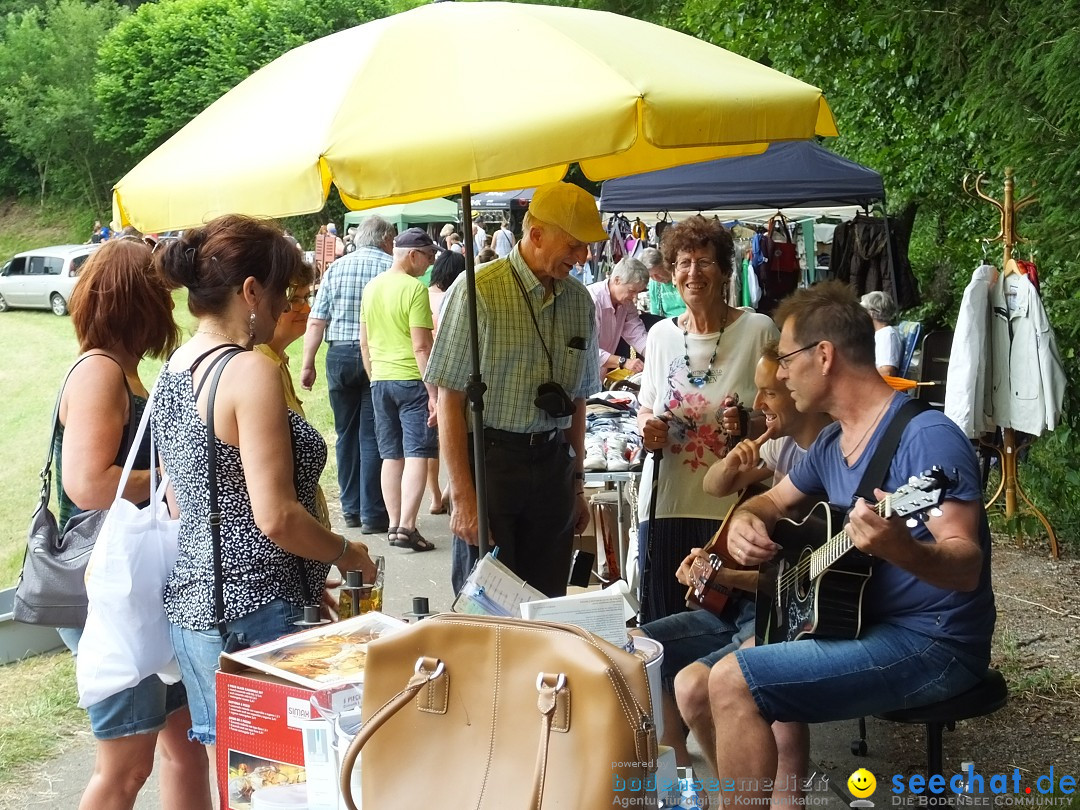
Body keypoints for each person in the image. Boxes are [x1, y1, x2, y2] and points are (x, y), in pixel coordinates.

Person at [712, 280, 995, 805]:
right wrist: (746, 521)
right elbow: (768, 503)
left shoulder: (926, 438)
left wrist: (902, 549)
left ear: (823, 356)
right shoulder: (829, 443)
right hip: (864, 623)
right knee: (711, 677)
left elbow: (965, 567)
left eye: (788, 358)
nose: (780, 373)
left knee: (732, 681)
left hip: (935, 643)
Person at [153, 215, 377, 763]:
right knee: (285, 782)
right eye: (282, 294)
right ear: (251, 291)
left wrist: (302, 571)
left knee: (238, 780)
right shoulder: (247, 370)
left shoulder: (175, 368)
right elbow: (275, 516)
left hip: (198, 609)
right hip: (257, 615)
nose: (284, 309)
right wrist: (351, 554)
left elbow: (184, 499)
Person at [54, 238, 210, 810]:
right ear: (139, 303)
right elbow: (89, 484)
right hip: (112, 589)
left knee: (186, 745)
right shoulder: (100, 372)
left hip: (138, 582)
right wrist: (175, 475)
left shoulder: (121, 371)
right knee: (125, 767)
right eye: (161, 296)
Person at [638, 343, 831, 790]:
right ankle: (681, 775)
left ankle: (746, 792)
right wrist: (734, 462)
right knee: (642, 648)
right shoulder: (781, 447)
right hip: (746, 604)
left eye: (767, 393)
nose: (758, 406)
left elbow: (797, 579)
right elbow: (713, 486)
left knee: (694, 686)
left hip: (777, 608)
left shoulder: (824, 456)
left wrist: (719, 575)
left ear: (797, 389)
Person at [425, 181, 603, 597]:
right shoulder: (476, 292)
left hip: (553, 462)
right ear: (536, 234)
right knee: (487, 604)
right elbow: (449, 400)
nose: (583, 258)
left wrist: (576, 485)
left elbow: (578, 401)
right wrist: (464, 496)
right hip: (491, 465)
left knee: (547, 603)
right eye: (575, 245)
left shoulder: (580, 301)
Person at [637, 215, 778, 624]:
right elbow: (646, 406)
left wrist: (749, 422)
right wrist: (648, 427)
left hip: (732, 509)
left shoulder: (757, 330)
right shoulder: (661, 335)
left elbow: (782, 411)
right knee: (662, 621)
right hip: (666, 501)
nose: (693, 273)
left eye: (705, 262)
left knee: (723, 623)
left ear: (724, 271)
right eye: (683, 262)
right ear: (671, 272)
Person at [300, 216, 394, 533]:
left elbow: (317, 320)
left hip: (339, 355)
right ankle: (372, 513)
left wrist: (308, 362)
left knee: (345, 433)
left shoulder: (337, 268)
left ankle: (351, 509)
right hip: (377, 355)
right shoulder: (391, 268)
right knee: (372, 435)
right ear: (385, 239)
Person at [359, 228, 440, 552]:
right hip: (411, 380)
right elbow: (421, 346)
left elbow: (363, 342)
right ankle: (408, 525)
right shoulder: (415, 290)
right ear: (412, 255)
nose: (430, 263)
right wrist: (433, 393)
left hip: (380, 379)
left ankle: (394, 524)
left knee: (390, 456)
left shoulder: (372, 287)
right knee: (418, 452)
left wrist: (374, 375)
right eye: (429, 257)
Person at [255, 283, 330, 528]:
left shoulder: (276, 362)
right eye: (294, 300)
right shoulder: (259, 368)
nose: (306, 308)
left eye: (305, 298)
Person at [425, 249, 467, 515]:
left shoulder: (421, 293)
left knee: (429, 444)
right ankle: (452, 487)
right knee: (452, 433)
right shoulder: (453, 299)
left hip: (411, 373)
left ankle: (434, 497)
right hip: (443, 375)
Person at [587, 256, 650, 374]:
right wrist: (623, 362)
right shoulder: (592, 300)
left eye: (638, 292)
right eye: (632, 291)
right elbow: (588, 350)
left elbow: (635, 331)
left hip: (599, 373)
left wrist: (652, 354)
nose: (635, 298)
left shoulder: (626, 302)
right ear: (617, 280)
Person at [861, 289, 901, 376]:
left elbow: (887, 372)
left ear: (871, 313)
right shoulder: (879, 334)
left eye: (863, 311)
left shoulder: (887, 334)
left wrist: (859, 374)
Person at [642, 246, 686, 319]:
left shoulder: (680, 276)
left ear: (664, 265)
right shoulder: (654, 284)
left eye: (657, 273)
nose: (656, 279)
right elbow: (655, 313)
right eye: (651, 276)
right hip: (669, 324)